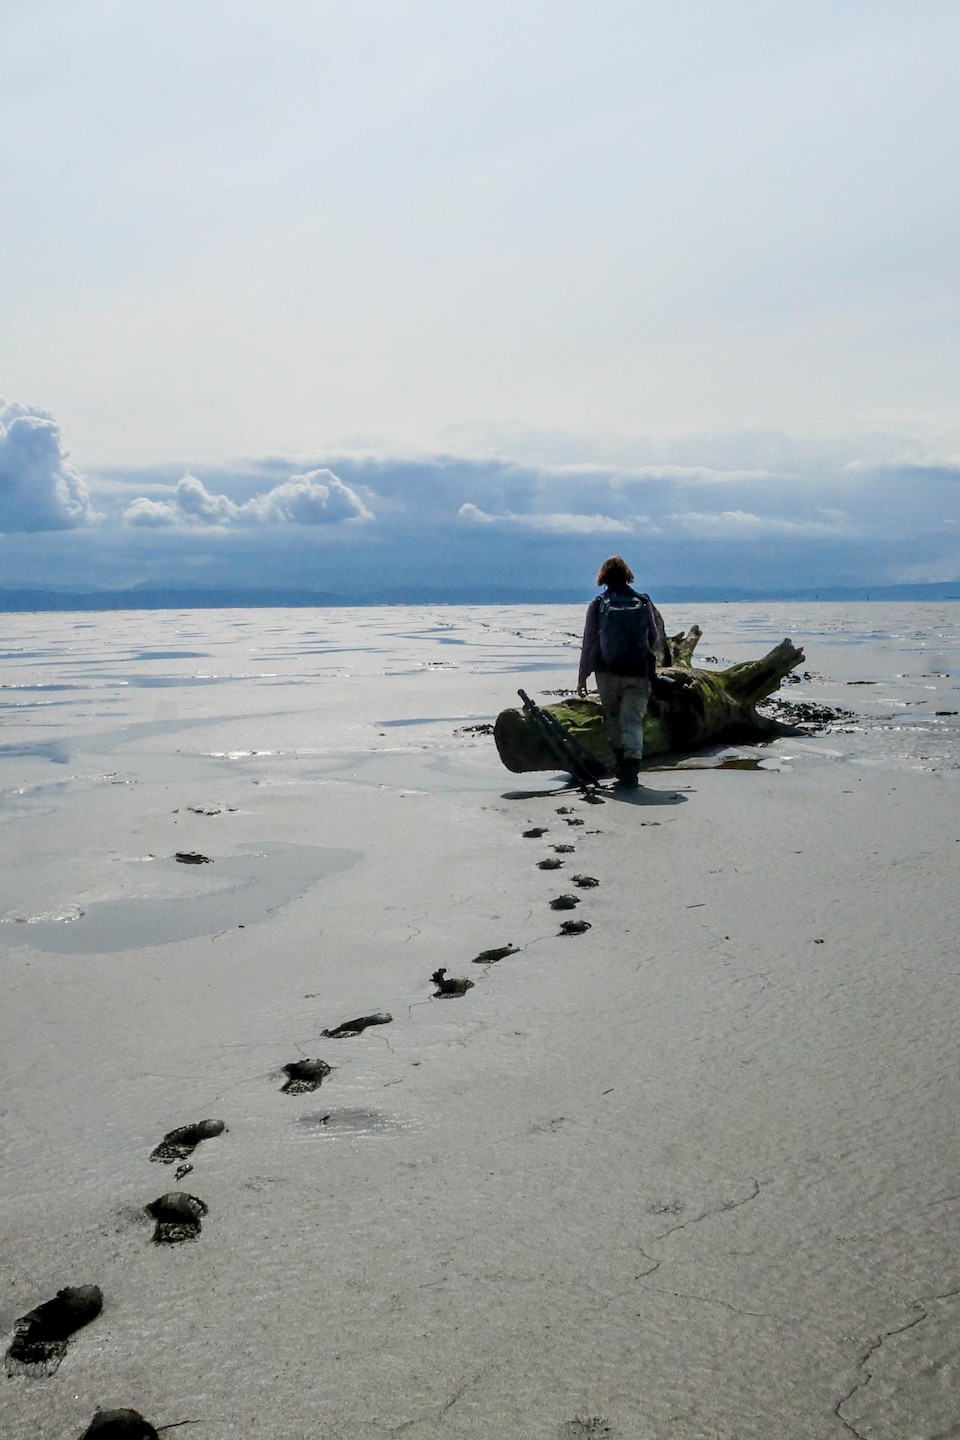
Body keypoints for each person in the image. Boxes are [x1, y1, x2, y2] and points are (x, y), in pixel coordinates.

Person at [577, 555, 659, 788]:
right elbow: (654, 638)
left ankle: (620, 765)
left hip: (607, 672)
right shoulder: (643, 602)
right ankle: (631, 770)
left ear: (603, 577)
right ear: (627, 575)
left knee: (613, 717)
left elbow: (589, 642)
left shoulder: (599, 604)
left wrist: (582, 676)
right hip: (638, 673)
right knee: (632, 721)